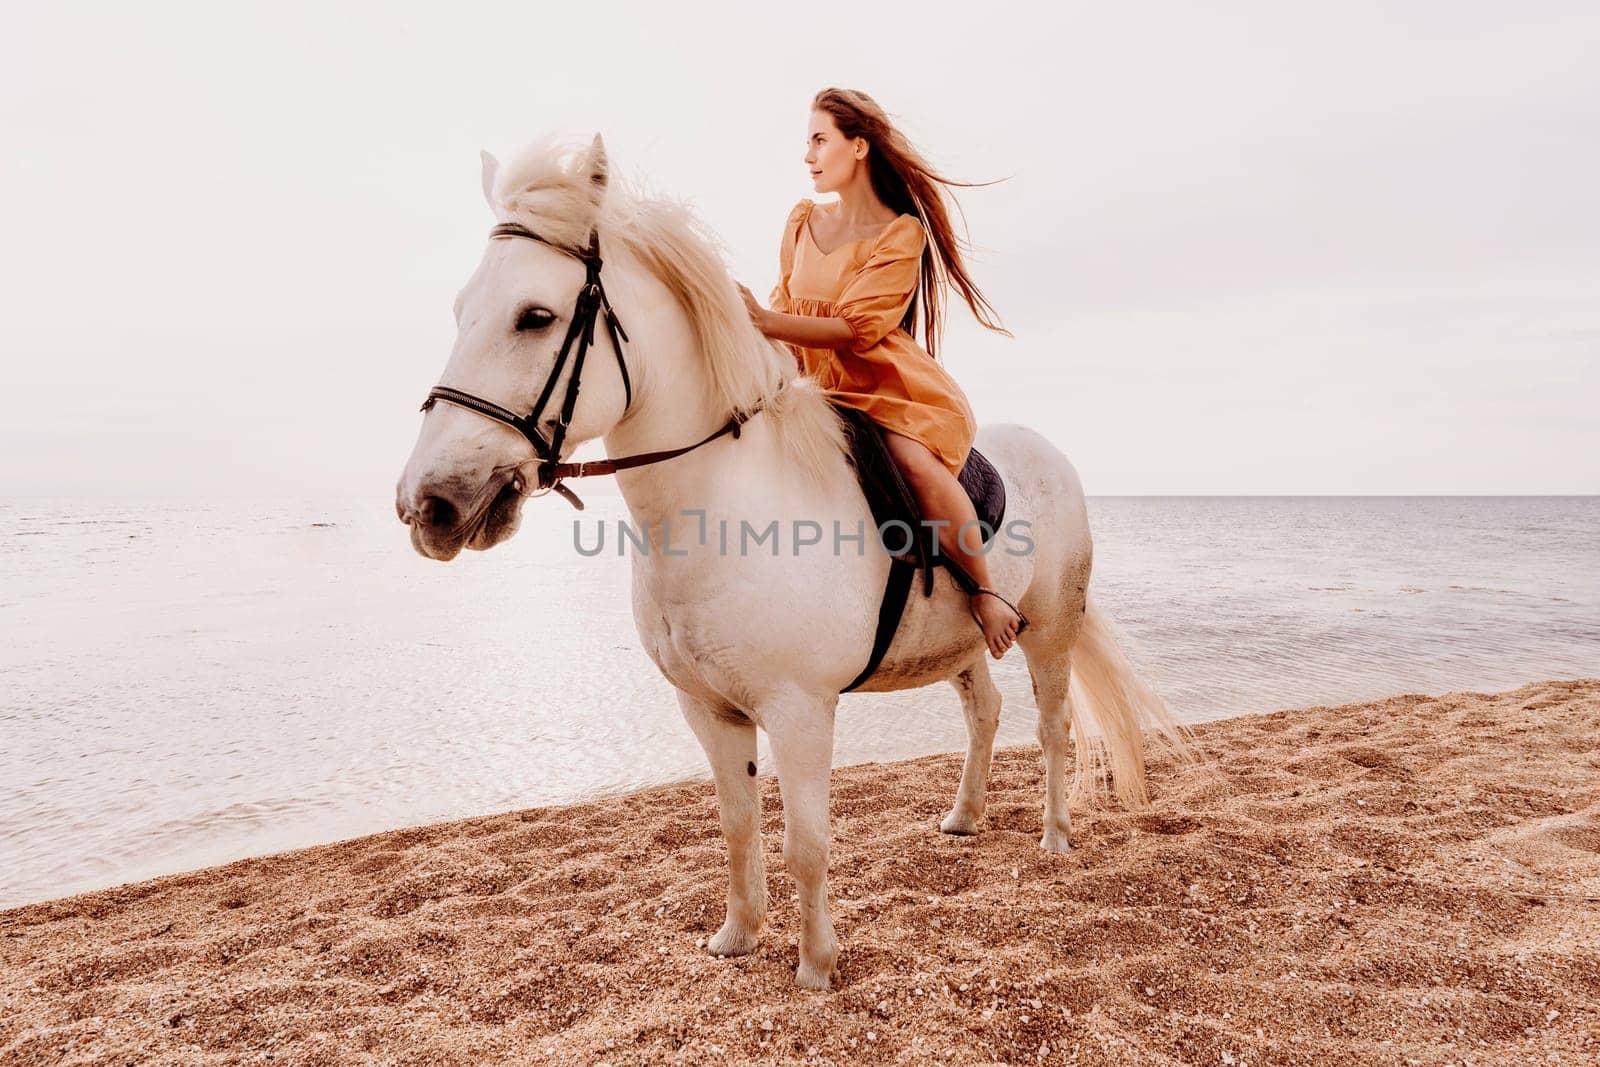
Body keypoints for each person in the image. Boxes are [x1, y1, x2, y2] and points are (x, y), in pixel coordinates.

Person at [735, 87, 1025, 660]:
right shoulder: (800, 222)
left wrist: (767, 320)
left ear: (859, 146)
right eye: (808, 141)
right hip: (808, 376)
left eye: (820, 140)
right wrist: (759, 334)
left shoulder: (901, 233)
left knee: (915, 464)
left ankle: (986, 591)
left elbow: (855, 329)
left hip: (881, 384)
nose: (808, 155)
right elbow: (785, 304)